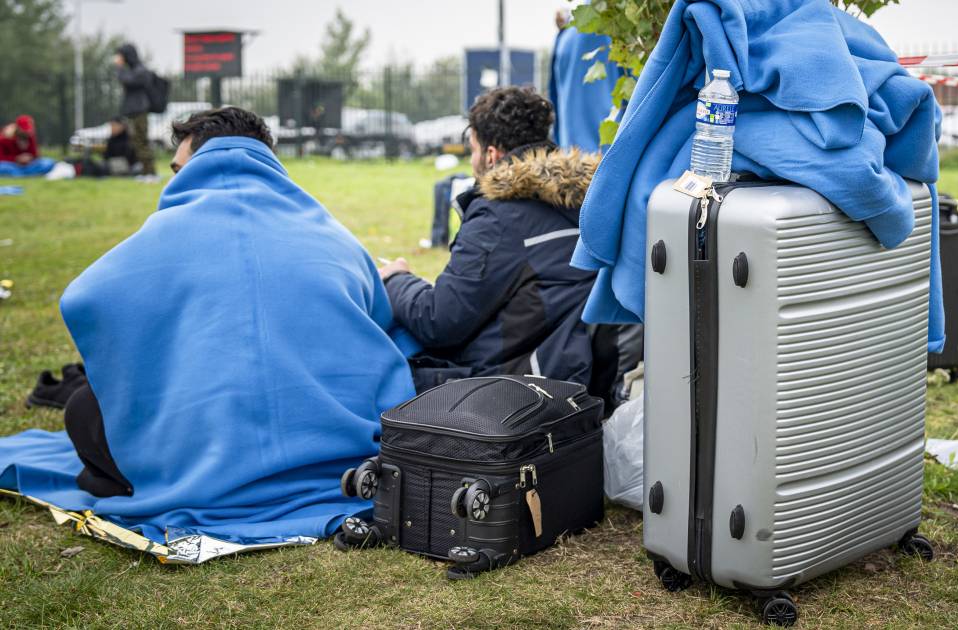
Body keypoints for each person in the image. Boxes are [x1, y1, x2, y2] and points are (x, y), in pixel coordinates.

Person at [0, 107, 416, 543]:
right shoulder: (335, 237)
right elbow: (379, 321)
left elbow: (83, 300)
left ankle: (137, 474)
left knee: (83, 407)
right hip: (336, 460)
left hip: (197, 453)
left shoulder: (160, 238)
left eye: (179, 169)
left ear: (199, 165)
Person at [378, 87, 602, 393]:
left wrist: (397, 278)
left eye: (473, 150)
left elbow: (439, 322)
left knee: (382, 358)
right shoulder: (585, 202)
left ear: (492, 155)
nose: (472, 162)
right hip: (568, 372)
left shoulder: (499, 215)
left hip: (509, 392)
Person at [548, 8, 620, 153]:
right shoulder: (622, 34)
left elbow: (554, 102)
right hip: (612, 157)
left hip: (570, 156)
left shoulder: (565, 37)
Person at [114, 43, 157, 180]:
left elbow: (127, 81)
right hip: (134, 112)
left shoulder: (141, 70)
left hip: (140, 111)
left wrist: (119, 67)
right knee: (137, 142)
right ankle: (145, 172)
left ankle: (151, 173)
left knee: (141, 141)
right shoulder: (134, 70)